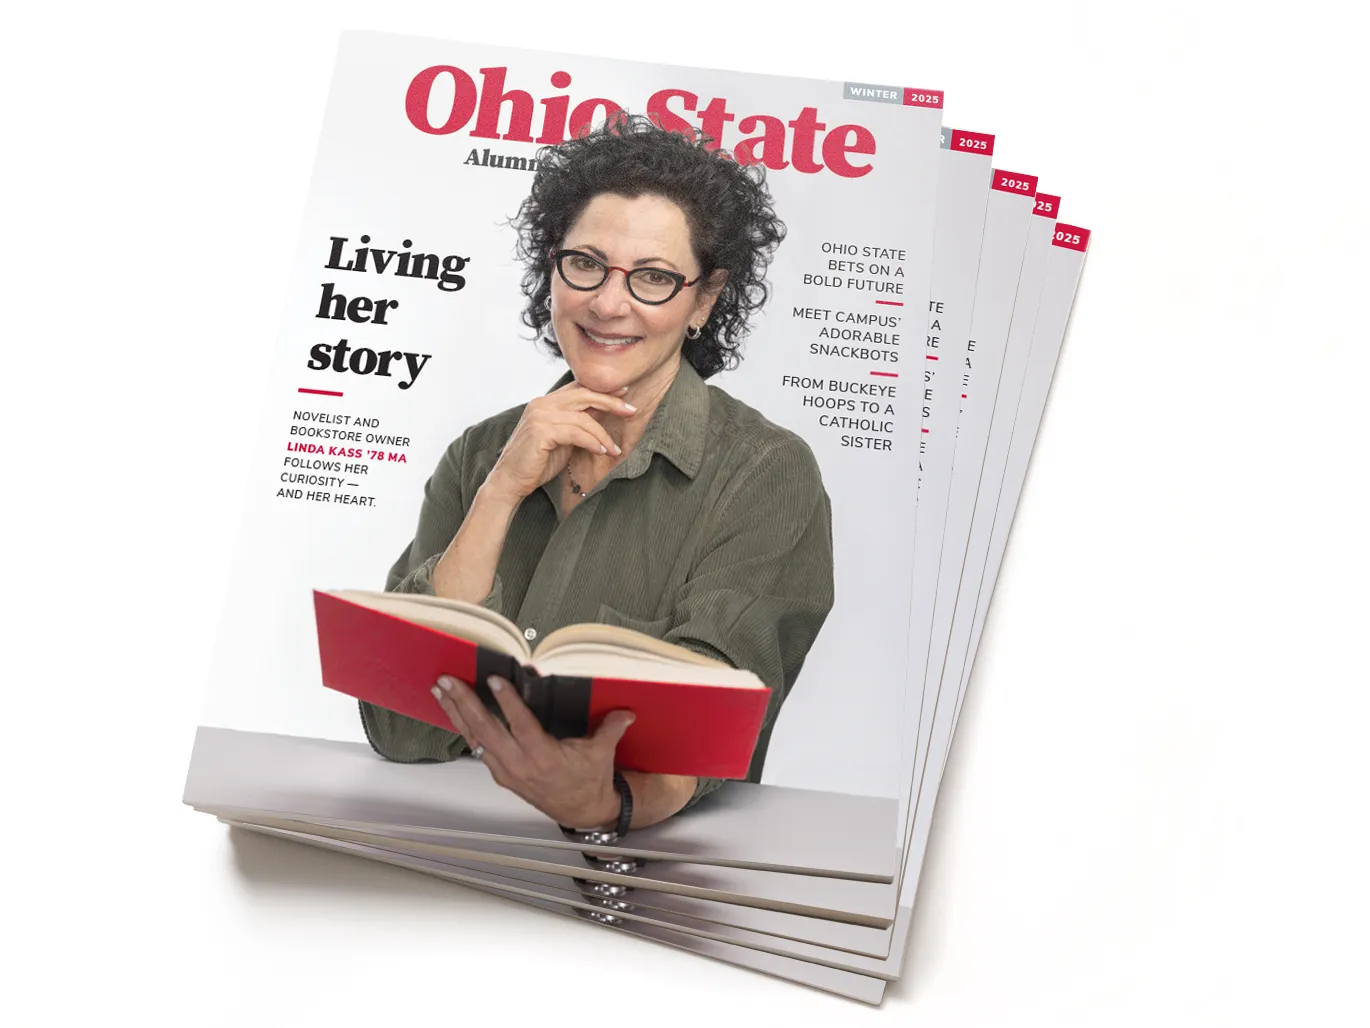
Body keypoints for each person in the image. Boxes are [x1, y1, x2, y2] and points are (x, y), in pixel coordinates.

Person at [359, 113, 834, 837]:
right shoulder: (477, 454)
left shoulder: (765, 472)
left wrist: (608, 805)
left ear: (704, 299)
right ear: (553, 266)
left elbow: (707, 731)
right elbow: (399, 730)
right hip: (444, 857)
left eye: (652, 279)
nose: (608, 303)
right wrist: (500, 492)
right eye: (586, 264)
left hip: (643, 883)